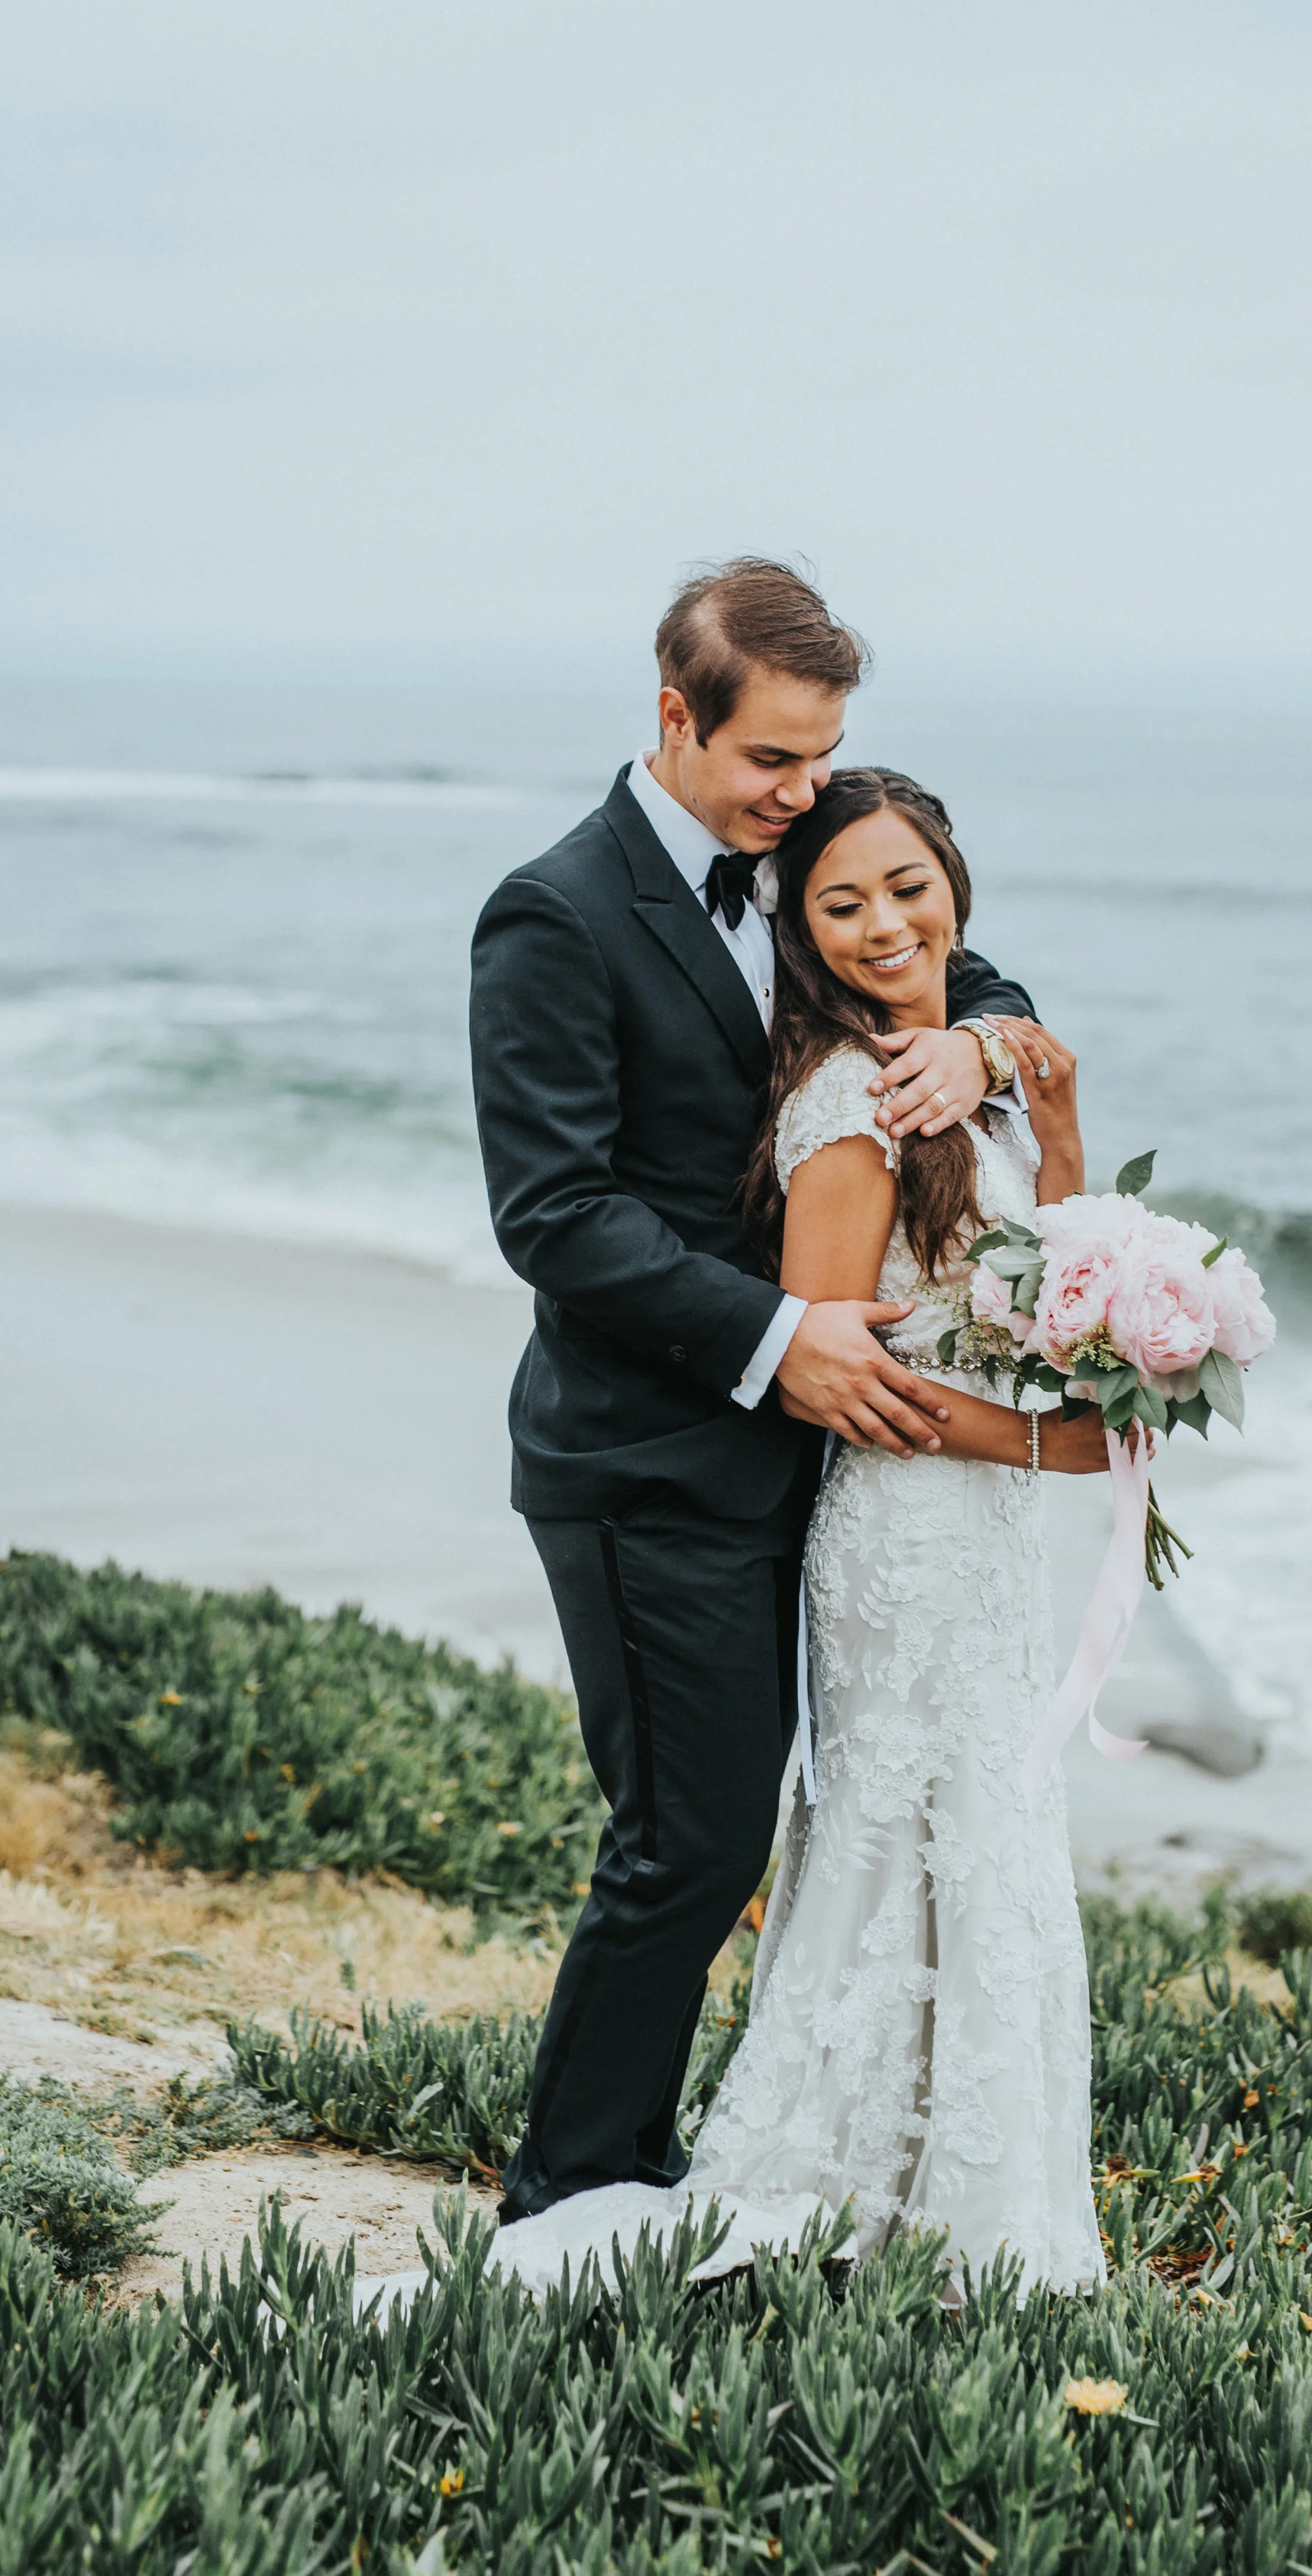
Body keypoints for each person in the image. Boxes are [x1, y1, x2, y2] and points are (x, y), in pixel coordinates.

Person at [466, 561, 1037, 2228]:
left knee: (762, 1828)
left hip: (806, 1474)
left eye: (823, 756)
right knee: (691, 1841)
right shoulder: (554, 913)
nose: (800, 795)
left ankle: (670, 2163)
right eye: (772, 760)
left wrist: (980, 1050)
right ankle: (570, 2196)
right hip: (642, 1456)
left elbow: (955, 952)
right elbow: (553, 1215)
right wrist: (782, 1337)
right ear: (674, 716)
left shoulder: (789, 864)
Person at [687, 765, 1107, 2296]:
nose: (882, 922)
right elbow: (830, 1370)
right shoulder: (843, 1100)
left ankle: (965, 2194)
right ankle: (836, 2192)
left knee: (983, 1842)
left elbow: (1063, 1271)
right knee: (918, 1839)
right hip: (900, 1528)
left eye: (905, 886)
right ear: (797, 931)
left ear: (955, 884)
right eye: (840, 902)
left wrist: (1050, 1110)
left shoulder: (981, 1065)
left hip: (983, 1530)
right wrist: (1044, 1439)